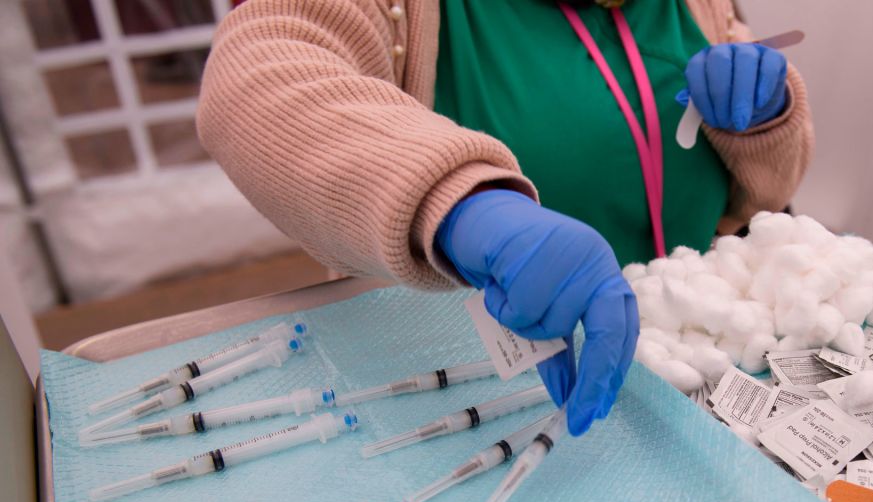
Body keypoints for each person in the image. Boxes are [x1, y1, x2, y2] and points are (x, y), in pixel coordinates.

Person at [198, 0, 813, 435]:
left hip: (685, 383)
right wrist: (457, 203)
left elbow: (761, 199)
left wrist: (764, 123)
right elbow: (255, 75)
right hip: (467, 398)